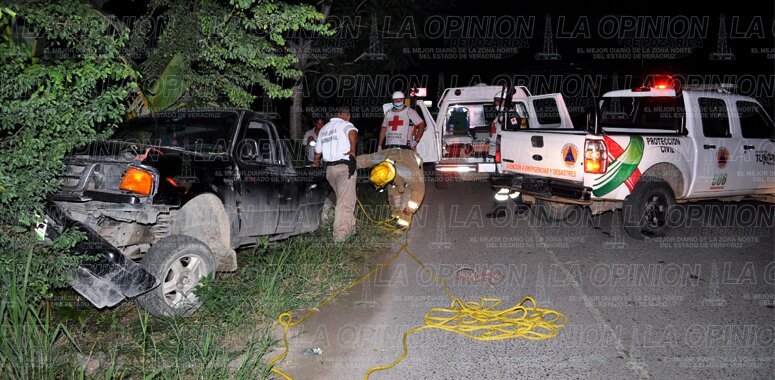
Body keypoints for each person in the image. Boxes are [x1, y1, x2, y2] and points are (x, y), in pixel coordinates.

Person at [312, 107, 358, 242]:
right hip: (344, 168)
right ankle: (340, 237)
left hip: (330, 170)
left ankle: (352, 229)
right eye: (348, 116)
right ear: (346, 115)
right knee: (345, 203)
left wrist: (316, 162)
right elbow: (353, 132)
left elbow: (318, 151)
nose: (349, 119)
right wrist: (353, 151)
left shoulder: (324, 129)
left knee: (344, 200)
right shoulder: (345, 124)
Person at [357, 148, 425, 228]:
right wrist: (351, 163)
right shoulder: (381, 158)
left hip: (412, 162)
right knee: (392, 193)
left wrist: (408, 210)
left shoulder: (410, 175)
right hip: (395, 156)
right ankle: (396, 215)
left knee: (407, 196)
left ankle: (403, 224)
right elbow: (365, 159)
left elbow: (419, 191)